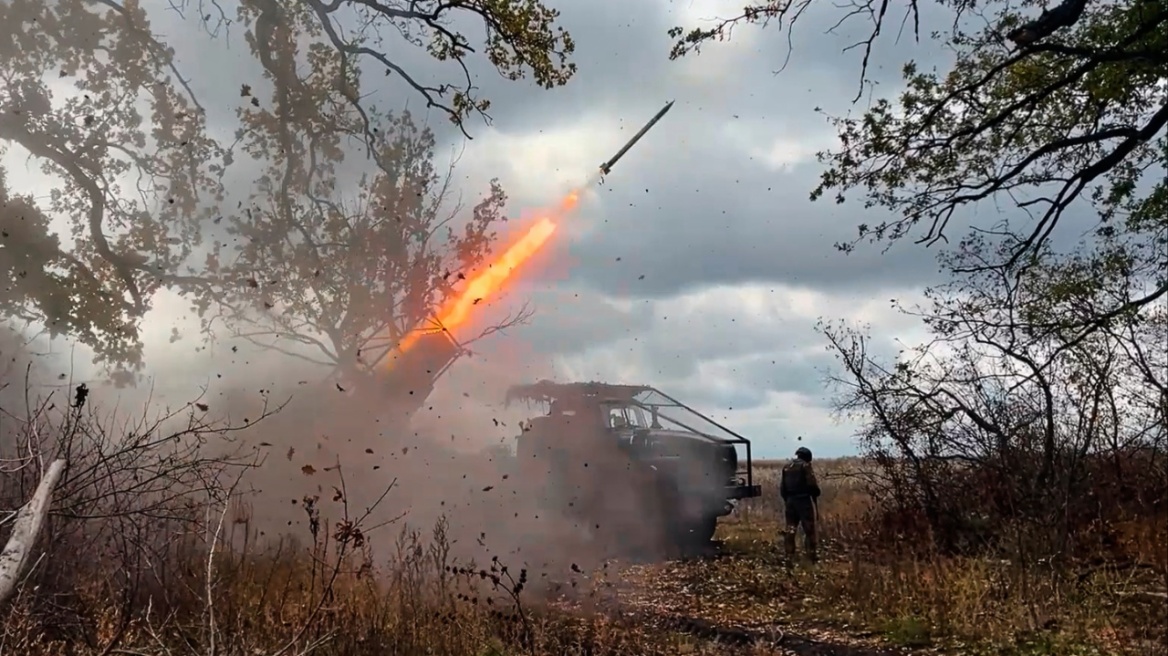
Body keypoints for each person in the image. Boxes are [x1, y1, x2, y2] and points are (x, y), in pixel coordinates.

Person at [779, 446, 821, 564]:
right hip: (803, 501)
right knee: (809, 529)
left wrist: (788, 500)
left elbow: (782, 488)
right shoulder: (805, 466)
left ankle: (789, 555)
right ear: (807, 457)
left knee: (790, 529)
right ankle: (811, 556)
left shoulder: (787, 466)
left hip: (790, 502)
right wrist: (816, 493)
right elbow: (811, 484)